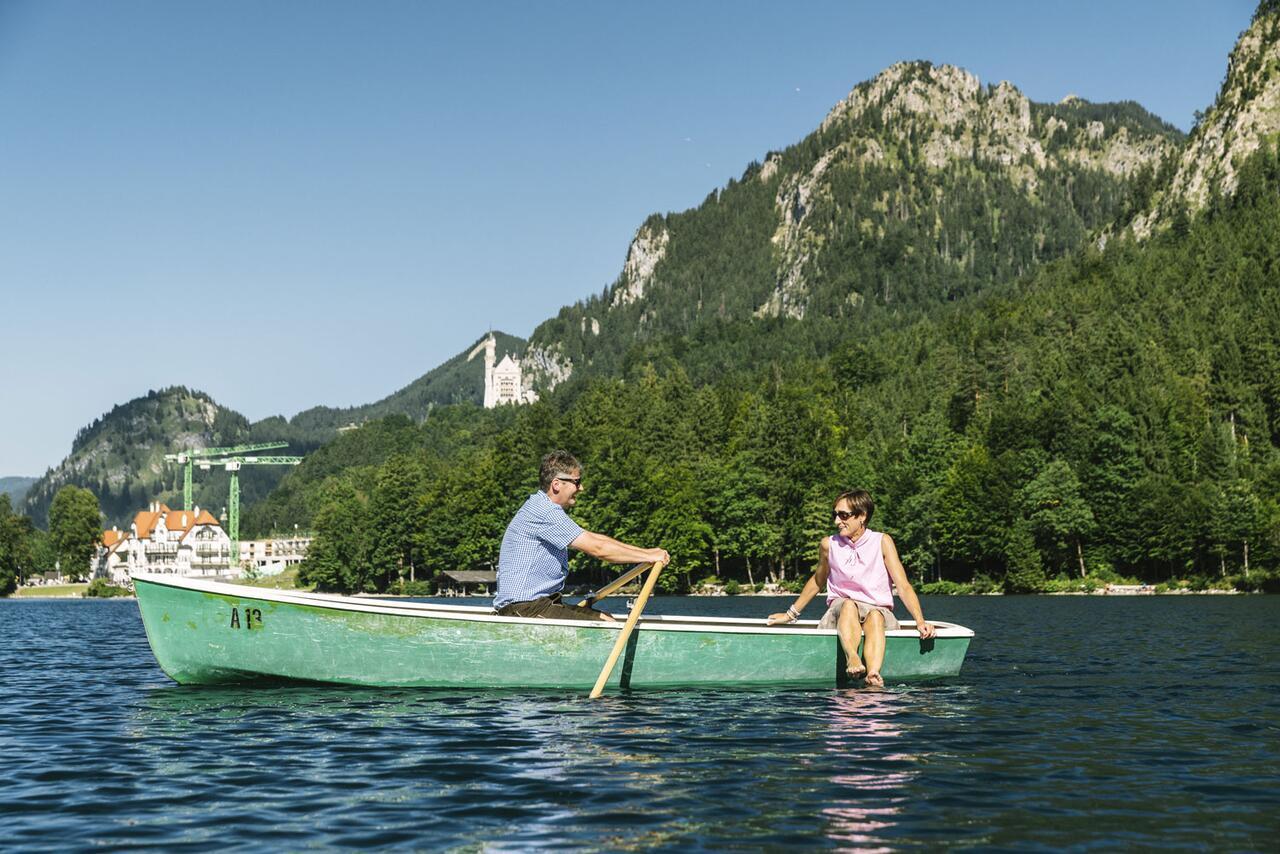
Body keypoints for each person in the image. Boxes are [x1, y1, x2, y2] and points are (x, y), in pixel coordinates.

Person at [768, 490, 935, 686]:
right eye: (835, 515)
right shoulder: (828, 545)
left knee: (875, 615)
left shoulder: (882, 541)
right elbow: (817, 581)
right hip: (841, 612)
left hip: (878, 614)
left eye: (844, 515)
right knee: (848, 604)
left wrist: (920, 620)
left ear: (862, 516)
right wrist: (790, 614)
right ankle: (853, 658)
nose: (837, 521)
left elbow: (903, 585)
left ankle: (873, 674)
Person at [493, 450, 670, 622]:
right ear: (556, 484)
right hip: (525, 610)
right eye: (577, 482)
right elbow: (598, 549)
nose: (581, 488)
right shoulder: (544, 512)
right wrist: (647, 556)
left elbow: (596, 539)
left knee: (605, 618)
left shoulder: (542, 507)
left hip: (533, 607)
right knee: (604, 625)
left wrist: (647, 552)